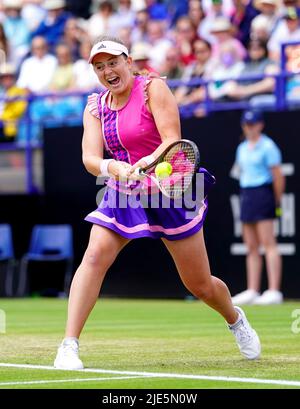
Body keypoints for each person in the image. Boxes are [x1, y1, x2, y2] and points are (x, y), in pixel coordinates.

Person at [53, 35, 261, 370]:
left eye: (113, 62)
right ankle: (68, 345)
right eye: (100, 66)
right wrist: (113, 167)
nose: (108, 71)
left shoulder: (152, 88)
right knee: (93, 257)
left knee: (200, 285)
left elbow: (172, 141)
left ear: (129, 62)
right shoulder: (95, 107)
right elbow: (90, 159)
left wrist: (147, 163)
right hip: (123, 190)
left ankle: (235, 319)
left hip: (170, 187)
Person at [231, 110, 285, 306]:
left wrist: (275, 200)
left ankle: (273, 290)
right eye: (246, 124)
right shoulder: (242, 148)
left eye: (252, 124)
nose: (249, 128)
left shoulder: (269, 146)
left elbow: (278, 176)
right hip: (247, 194)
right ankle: (253, 290)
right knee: (251, 246)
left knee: (268, 243)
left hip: (263, 193)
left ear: (260, 125)